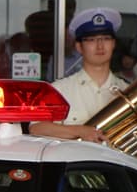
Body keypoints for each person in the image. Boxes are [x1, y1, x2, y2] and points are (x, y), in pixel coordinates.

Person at [29, 7, 128, 142]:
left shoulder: (128, 91)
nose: (100, 46)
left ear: (113, 44)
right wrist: (79, 131)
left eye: (105, 38)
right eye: (91, 40)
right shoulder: (59, 90)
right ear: (79, 47)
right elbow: (36, 127)